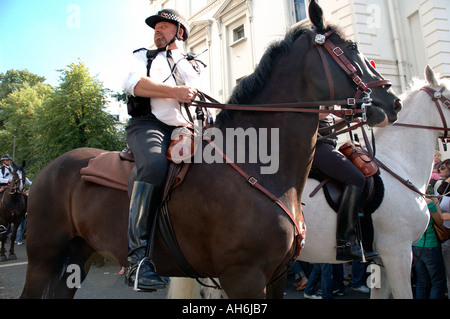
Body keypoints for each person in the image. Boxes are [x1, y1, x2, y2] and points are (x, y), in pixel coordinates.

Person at [122, 9, 206, 291]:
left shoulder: (193, 63)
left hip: (186, 129)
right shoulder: (141, 56)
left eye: (163, 27)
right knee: (155, 166)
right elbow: (133, 84)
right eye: (155, 27)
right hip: (148, 125)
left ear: (179, 32)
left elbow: (198, 96)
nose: (157, 31)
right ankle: (137, 261)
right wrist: (174, 92)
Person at [312, 112, 378, 261]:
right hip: (317, 146)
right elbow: (318, 115)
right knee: (355, 178)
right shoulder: (316, 95)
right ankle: (345, 244)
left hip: (327, 145)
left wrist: (349, 118)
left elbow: (328, 122)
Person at [411, 198, 447, 299]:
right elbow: (440, 221)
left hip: (416, 244)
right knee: (438, 282)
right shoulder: (428, 202)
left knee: (421, 281)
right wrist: (435, 199)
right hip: (430, 244)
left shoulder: (409, 200)